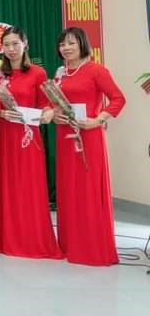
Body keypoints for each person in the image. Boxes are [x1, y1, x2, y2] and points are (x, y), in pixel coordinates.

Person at [52, 27, 125, 266]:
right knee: (68, 190)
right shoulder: (60, 74)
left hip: (89, 137)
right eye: (63, 44)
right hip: (65, 136)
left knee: (88, 190)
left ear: (83, 44)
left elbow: (118, 99)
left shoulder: (96, 70)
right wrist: (55, 115)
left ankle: (92, 247)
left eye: (71, 43)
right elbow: (55, 104)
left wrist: (97, 120)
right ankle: (70, 244)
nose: (66, 48)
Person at [0, 26, 62, 259]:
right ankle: (6, 238)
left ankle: (31, 239)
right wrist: (0, 113)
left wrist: (46, 115)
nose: (11, 49)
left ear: (25, 44)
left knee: (29, 186)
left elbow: (46, 105)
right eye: (6, 45)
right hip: (5, 136)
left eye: (15, 44)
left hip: (28, 137)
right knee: (7, 185)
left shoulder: (38, 73)